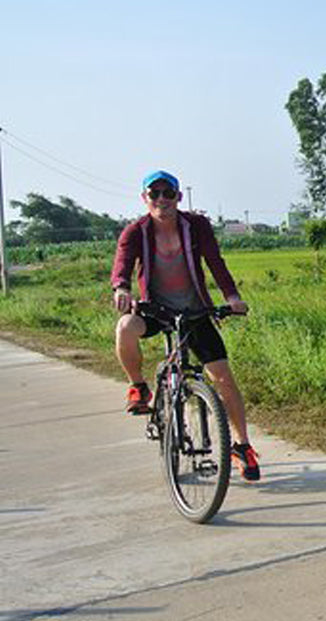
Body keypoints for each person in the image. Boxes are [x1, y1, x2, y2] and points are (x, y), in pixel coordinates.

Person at [111, 170, 261, 482]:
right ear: (145, 199)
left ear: (179, 197)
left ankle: (241, 445)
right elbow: (122, 264)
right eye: (155, 194)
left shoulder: (197, 226)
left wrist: (232, 297)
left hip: (195, 311)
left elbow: (215, 262)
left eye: (169, 193)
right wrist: (122, 289)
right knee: (125, 327)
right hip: (155, 310)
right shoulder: (135, 232)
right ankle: (138, 386)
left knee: (222, 377)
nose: (162, 199)